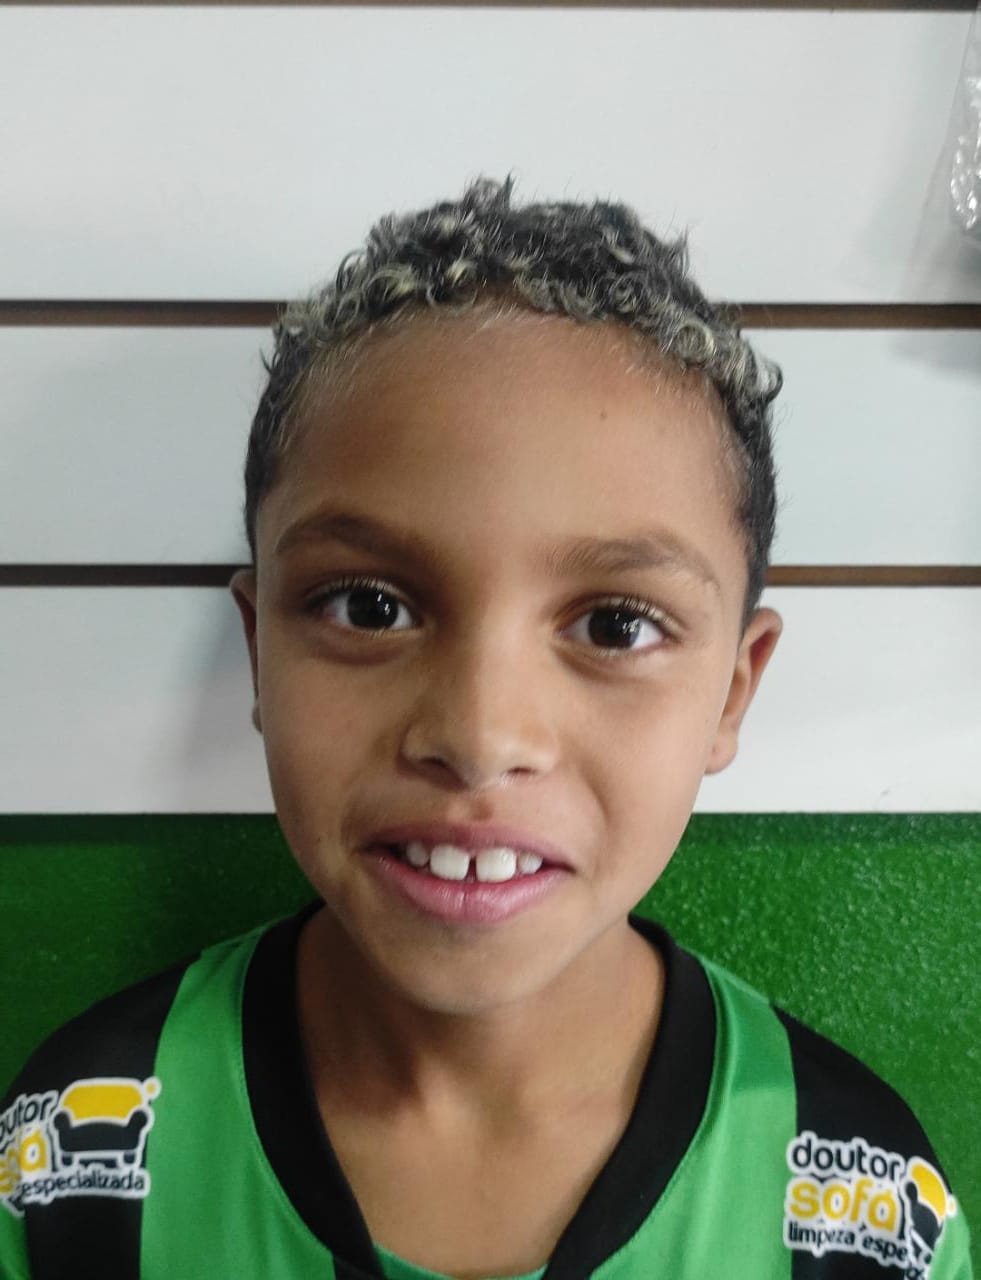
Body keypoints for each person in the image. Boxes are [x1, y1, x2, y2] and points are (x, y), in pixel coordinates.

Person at [0, 176, 972, 1280]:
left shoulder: (859, 1216)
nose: (478, 735)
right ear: (259, 645)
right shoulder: (76, 1165)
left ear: (732, 694)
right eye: (369, 607)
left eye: (614, 625)